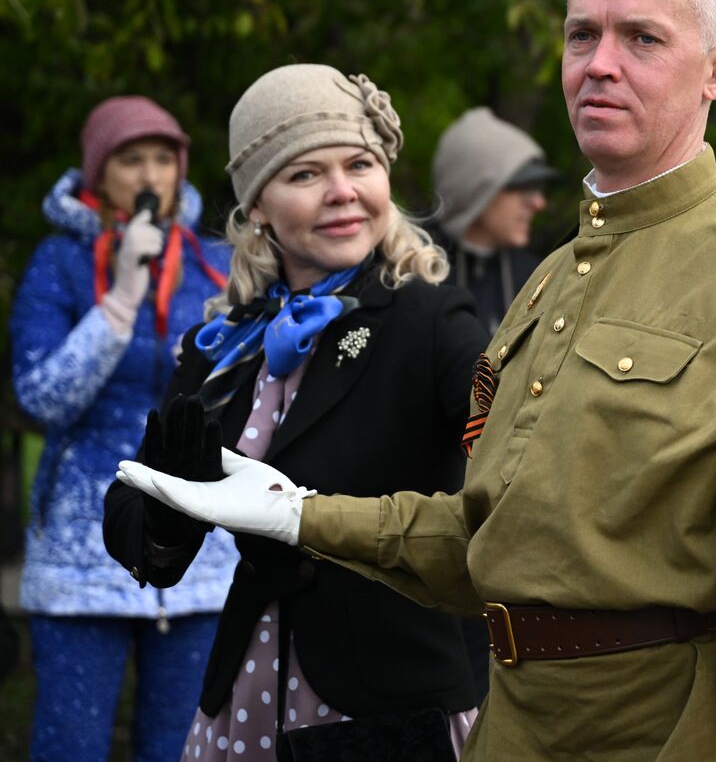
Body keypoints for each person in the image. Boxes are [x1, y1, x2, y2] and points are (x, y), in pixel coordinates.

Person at [113, 0, 716, 760]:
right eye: (581, 34)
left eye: (643, 38)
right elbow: (486, 543)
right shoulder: (552, 280)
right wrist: (300, 514)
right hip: (516, 726)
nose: (599, 63)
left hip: (671, 730)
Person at [103, 64, 489, 760]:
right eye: (306, 174)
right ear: (257, 206)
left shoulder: (430, 318)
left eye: (360, 164)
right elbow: (138, 537)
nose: (343, 192)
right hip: (251, 690)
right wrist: (167, 509)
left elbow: (515, 437)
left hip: (393, 701)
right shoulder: (223, 345)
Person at [10, 95, 236, 762]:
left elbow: (243, 393)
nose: (149, 174)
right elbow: (42, 395)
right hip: (82, 558)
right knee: (70, 747)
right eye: (130, 158)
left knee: (184, 749)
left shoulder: (214, 260)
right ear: (96, 172)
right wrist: (122, 297)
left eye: (163, 158)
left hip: (198, 548)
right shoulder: (59, 262)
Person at [427, 106, 559, 332]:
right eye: (524, 189)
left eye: (538, 189)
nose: (538, 203)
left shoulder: (535, 278)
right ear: (477, 190)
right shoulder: (410, 268)